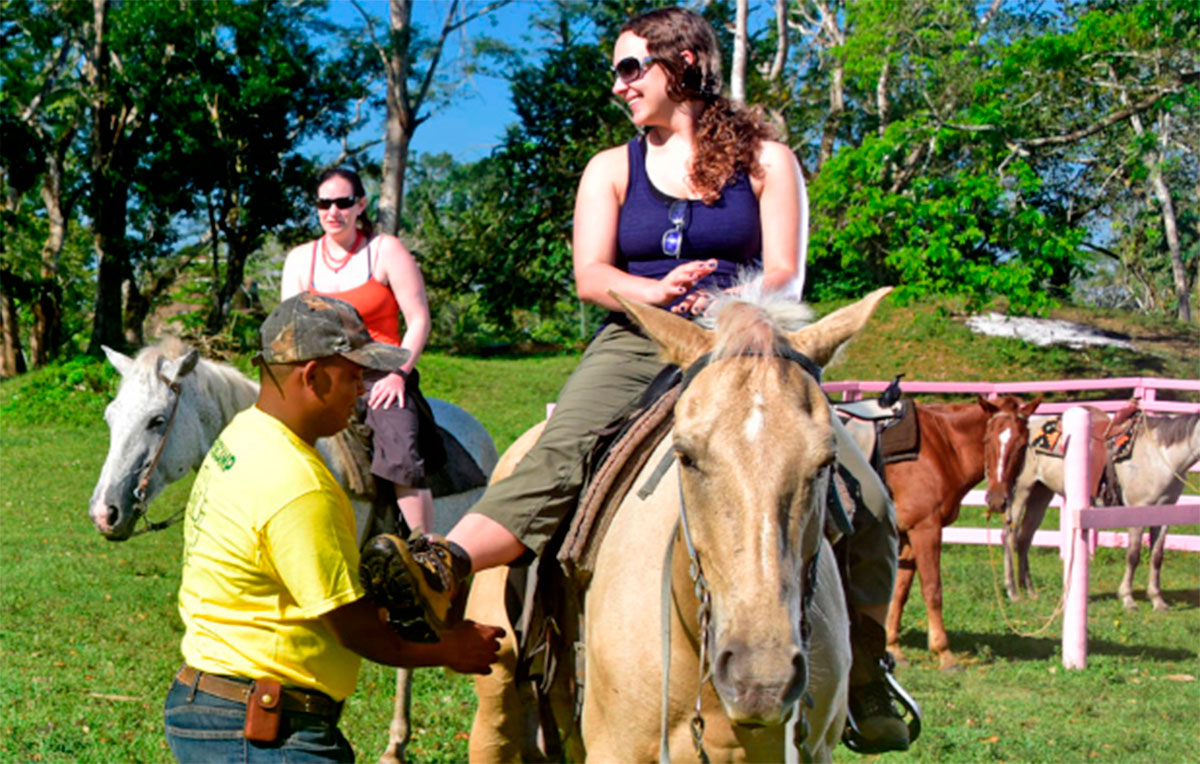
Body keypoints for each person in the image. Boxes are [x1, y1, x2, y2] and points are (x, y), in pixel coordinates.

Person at [361, 6, 911, 754]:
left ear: (684, 63)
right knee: (557, 451)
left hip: (750, 343)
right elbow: (592, 275)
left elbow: (785, 270)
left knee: (865, 494)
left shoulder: (768, 161)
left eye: (630, 68)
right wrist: (655, 294)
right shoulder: (611, 168)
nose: (617, 86)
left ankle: (868, 672)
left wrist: (724, 305)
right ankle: (449, 569)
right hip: (637, 338)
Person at [163, 293, 504, 763]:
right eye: (354, 377)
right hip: (265, 730)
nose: (363, 391)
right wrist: (453, 647)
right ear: (313, 376)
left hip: (215, 703)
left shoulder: (242, 436)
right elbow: (358, 632)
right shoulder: (297, 484)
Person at [282, 168, 441, 539]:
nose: (333, 212)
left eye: (343, 202)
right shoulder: (300, 260)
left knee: (398, 442)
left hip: (380, 372)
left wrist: (398, 373)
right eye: (324, 203)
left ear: (361, 205)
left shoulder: (385, 250)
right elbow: (290, 331)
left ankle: (423, 547)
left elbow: (418, 320)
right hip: (322, 371)